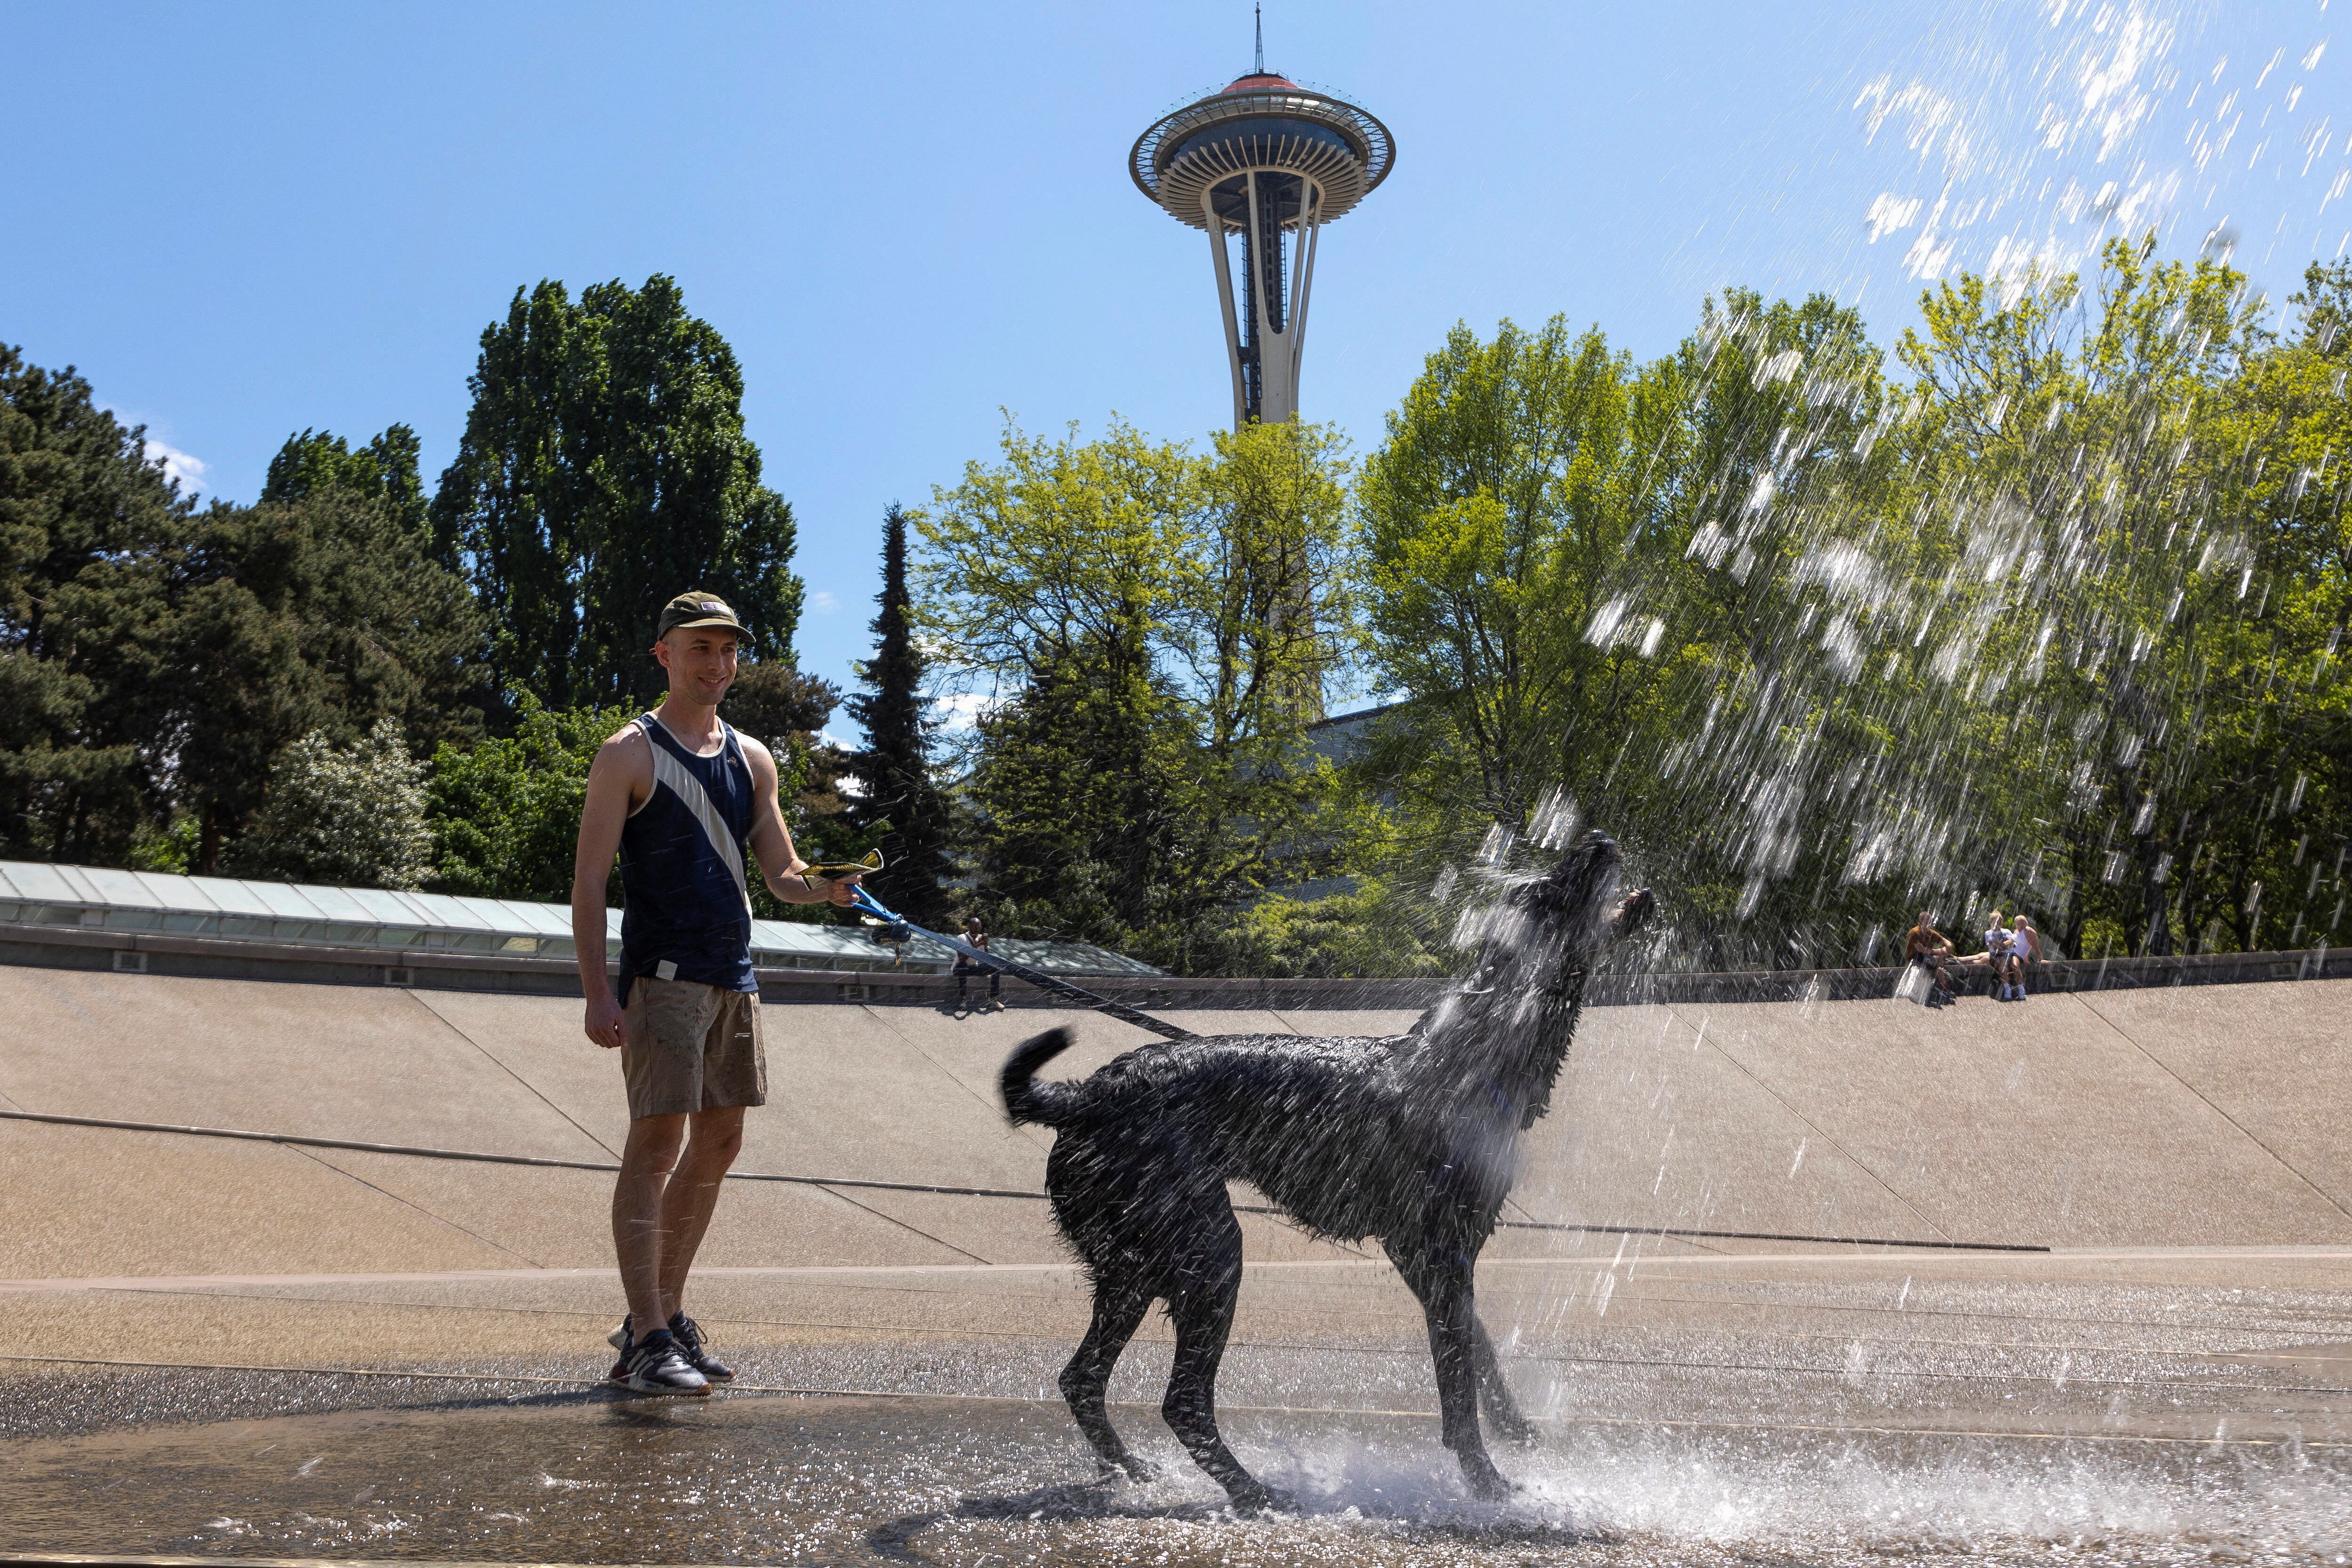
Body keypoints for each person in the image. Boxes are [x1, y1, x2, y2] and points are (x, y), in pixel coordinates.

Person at [571, 588, 862, 1396]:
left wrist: (832, 888)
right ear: (664, 654)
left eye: (728, 649)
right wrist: (599, 991)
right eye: (700, 648)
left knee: (721, 1145)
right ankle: (647, 1338)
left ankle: (660, 1316)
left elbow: (783, 875)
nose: (717, 663)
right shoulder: (627, 753)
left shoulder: (753, 758)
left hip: (733, 978)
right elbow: (590, 882)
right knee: (656, 1146)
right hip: (661, 982)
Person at [1903, 912, 1959, 1007]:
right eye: (1926, 920)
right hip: (1916, 956)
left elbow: (1944, 940)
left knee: (1939, 962)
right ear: (1920, 921)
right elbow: (1921, 949)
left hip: (1926, 956)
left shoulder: (1930, 933)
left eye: (1929, 920)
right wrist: (1938, 951)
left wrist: (1948, 946)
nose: (1928, 922)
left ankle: (1943, 988)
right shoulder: (1915, 932)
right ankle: (1938, 991)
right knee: (1934, 963)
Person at [954, 914, 1001, 1013]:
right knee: (963, 966)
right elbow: (962, 958)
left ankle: (993, 999)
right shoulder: (962, 938)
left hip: (973, 968)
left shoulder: (981, 938)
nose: (978, 929)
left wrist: (986, 945)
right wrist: (979, 944)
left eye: (979, 927)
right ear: (969, 927)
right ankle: (963, 999)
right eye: (975, 927)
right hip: (959, 968)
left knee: (996, 967)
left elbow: (986, 959)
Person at [1982, 909, 2017, 1001]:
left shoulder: (2007, 931)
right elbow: (1992, 945)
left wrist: (2001, 945)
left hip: (2008, 954)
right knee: (2002, 965)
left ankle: (2012, 990)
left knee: (2011, 965)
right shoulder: (1989, 933)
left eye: (2001, 920)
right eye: (1998, 920)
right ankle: (2008, 990)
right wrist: (2003, 946)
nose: (2000, 922)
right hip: (1997, 955)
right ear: (1992, 922)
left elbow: (2011, 941)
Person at [2008, 912, 2042, 998]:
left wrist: (2040, 957)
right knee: (1983, 957)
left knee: (2015, 965)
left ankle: (2021, 990)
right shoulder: (2016, 932)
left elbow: (2035, 946)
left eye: (2023, 922)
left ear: (2026, 923)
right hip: (2009, 952)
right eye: (2018, 923)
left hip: (2017, 955)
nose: (2021, 925)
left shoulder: (2028, 931)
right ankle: (1968, 963)